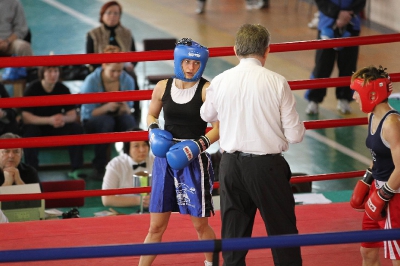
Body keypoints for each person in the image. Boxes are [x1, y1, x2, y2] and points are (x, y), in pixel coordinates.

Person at [200, 24, 305, 266]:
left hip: (230, 166)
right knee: (282, 234)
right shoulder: (277, 82)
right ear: (267, 51)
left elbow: (207, 115)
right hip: (266, 167)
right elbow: (296, 135)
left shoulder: (221, 80)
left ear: (236, 50)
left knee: (234, 239)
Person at [139, 38, 219, 266]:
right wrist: (154, 131)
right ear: (178, 62)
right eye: (187, 62)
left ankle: (211, 264)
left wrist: (198, 145)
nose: (191, 68)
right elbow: (151, 115)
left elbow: (219, 128)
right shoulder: (162, 86)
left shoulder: (206, 89)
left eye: (196, 64)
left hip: (194, 160)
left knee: (200, 225)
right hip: (165, 159)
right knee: (155, 226)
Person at [349, 65, 400, 265]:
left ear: (370, 93)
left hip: (394, 196)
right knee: (367, 251)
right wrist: (367, 179)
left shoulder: (392, 124)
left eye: (356, 91)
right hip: (378, 190)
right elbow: (377, 156)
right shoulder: (371, 117)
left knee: (397, 256)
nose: (354, 96)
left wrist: (383, 194)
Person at [80, 47, 137, 180]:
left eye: (120, 70)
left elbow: (130, 108)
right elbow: (88, 114)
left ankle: (129, 163)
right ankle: (99, 167)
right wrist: (107, 107)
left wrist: (125, 108)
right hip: (94, 121)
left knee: (129, 122)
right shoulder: (91, 81)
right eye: (113, 71)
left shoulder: (127, 80)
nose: (117, 74)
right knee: (106, 122)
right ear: (104, 65)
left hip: (117, 119)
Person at [20, 66, 85, 179]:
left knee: (76, 129)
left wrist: (63, 119)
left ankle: (76, 168)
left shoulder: (63, 89)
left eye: (56, 71)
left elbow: (73, 114)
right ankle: (32, 171)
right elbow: (26, 117)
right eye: (49, 71)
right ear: (42, 73)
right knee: (29, 132)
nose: (53, 74)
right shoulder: (32, 88)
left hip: (56, 125)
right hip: (38, 126)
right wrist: (49, 120)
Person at [304, 0, 366, 115]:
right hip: (326, 24)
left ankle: (344, 98)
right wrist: (337, 14)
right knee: (322, 65)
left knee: (348, 65)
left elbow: (361, 1)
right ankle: (314, 100)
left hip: (351, 25)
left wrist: (347, 15)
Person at [86, 0, 141, 123]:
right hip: (100, 71)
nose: (112, 16)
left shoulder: (126, 33)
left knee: (132, 78)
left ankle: (135, 117)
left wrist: (130, 65)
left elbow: (134, 55)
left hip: (124, 70)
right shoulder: (93, 34)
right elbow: (89, 58)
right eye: (109, 13)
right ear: (102, 15)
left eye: (116, 13)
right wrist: (106, 68)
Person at [101, 128, 154, 208]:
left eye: (145, 144)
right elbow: (106, 199)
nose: (142, 150)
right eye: (136, 146)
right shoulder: (115, 165)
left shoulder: (156, 161)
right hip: (123, 210)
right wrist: (139, 200)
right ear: (127, 148)